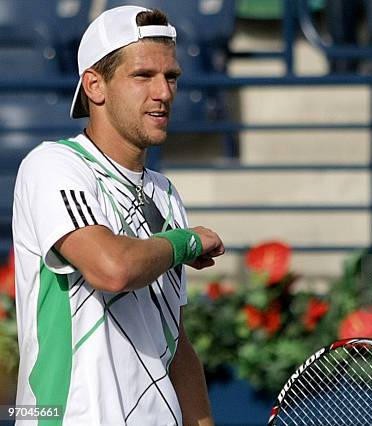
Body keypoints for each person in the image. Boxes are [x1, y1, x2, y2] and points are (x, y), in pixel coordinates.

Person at [12, 5, 223, 426]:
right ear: (95, 85)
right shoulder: (52, 165)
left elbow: (177, 345)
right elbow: (112, 269)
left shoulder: (165, 193)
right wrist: (187, 241)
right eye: (143, 76)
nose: (163, 92)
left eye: (171, 77)